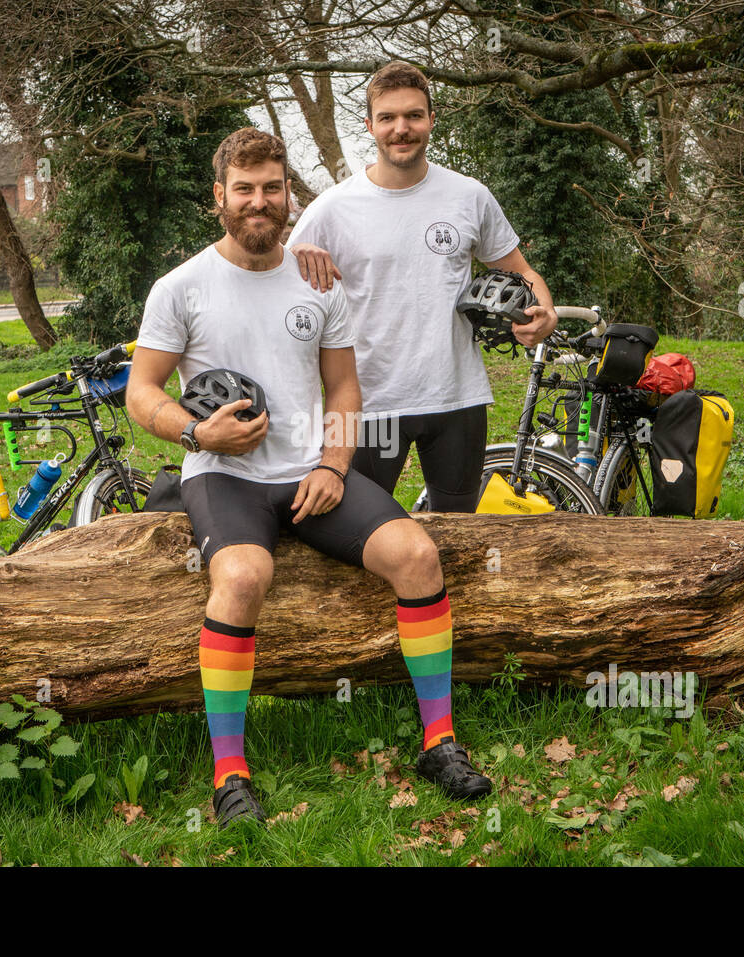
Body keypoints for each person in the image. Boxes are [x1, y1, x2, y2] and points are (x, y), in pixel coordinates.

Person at [126, 126, 492, 829]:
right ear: (219, 198)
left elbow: (345, 390)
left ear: (288, 194)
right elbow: (142, 392)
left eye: (271, 188)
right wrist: (198, 432)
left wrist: (333, 464)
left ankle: (439, 742)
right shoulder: (182, 287)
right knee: (241, 579)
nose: (259, 202)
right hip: (223, 476)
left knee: (417, 554)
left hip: (309, 476)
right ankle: (230, 775)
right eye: (244, 189)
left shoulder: (318, 279)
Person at [288, 61, 558, 511]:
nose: (402, 128)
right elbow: (273, 280)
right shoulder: (332, 209)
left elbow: (521, 271)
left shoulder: (469, 196)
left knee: (458, 535)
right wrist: (291, 256)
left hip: (455, 398)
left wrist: (544, 311)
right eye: (389, 118)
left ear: (432, 119)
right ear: (370, 125)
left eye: (413, 115)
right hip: (366, 404)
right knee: (355, 533)